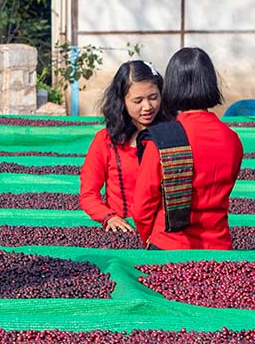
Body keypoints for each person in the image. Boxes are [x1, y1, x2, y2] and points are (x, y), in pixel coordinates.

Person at [132, 47, 242, 249]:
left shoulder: (163, 140)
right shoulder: (232, 139)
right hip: (219, 248)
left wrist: (149, 239)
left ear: (172, 85)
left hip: (169, 246)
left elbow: (141, 207)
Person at [79, 60, 165, 232]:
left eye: (153, 97)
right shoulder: (105, 140)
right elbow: (88, 194)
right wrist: (108, 216)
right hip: (124, 230)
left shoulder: (172, 135)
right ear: (122, 101)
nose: (147, 107)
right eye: (138, 101)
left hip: (165, 232)